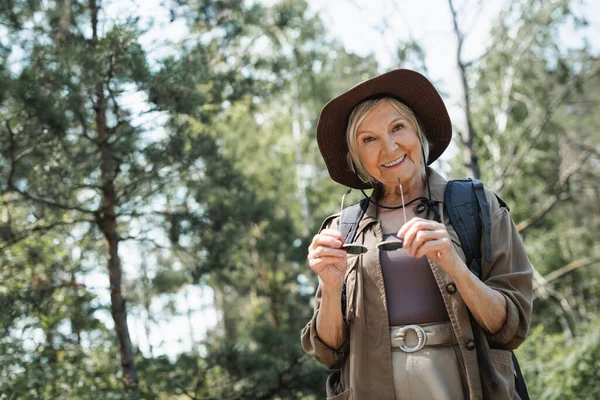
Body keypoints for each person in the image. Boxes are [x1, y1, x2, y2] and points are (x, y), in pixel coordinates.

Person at [300, 69, 533, 400]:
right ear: (355, 158)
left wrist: (456, 267)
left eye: (398, 128)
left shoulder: (477, 206)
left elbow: (512, 327)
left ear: (419, 131)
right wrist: (330, 281)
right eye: (369, 139)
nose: (389, 147)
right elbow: (328, 352)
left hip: (463, 384)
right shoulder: (342, 230)